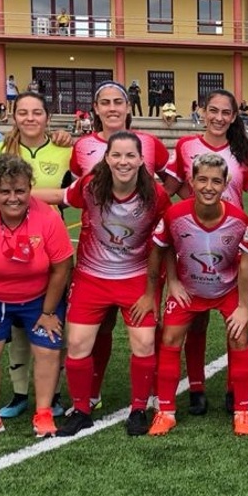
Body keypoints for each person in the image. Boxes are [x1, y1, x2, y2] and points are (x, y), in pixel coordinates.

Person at [36, 131, 171, 437]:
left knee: (144, 342)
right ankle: (81, 410)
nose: (123, 161)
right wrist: (14, 194)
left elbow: (166, 243)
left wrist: (153, 292)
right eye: (117, 155)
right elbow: (60, 197)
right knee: (78, 344)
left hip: (135, 278)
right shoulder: (90, 186)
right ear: (107, 159)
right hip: (91, 278)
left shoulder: (156, 196)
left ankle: (138, 409)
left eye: (130, 156)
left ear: (140, 160)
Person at [0, 154, 74, 440]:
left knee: (48, 348)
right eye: (4, 191)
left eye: (20, 190)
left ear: (30, 187)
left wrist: (47, 312)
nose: (13, 198)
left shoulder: (47, 217)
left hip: (39, 296)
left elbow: (61, 268)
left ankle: (43, 413)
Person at [69, 81, 171, 411]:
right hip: (92, 266)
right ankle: (87, 401)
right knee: (87, 337)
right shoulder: (84, 157)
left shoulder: (153, 157)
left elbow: (170, 202)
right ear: (96, 109)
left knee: (145, 337)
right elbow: (66, 194)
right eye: (105, 102)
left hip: (137, 269)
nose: (112, 108)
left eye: (119, 102)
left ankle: (145, 402)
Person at [167, 89, 248, 415]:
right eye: (213, 110)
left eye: (226, 112)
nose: (219, 117)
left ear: (234, 116)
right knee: (195, 322)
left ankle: (231, 391)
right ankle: (196, 388)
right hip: (197, 240)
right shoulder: (186, 147)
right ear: (201, 111)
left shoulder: (242, 152)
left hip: (235, 246)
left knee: (235, 320)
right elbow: (171, 186)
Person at [147, 153, 248, 437]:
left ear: (225, 185)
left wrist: (244, 305)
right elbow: (162, 249)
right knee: (170, 338)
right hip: (189, 289)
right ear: (191, 182)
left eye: (216, 181)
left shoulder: (238, 220)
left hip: (226, 289)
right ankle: (166, 412)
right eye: (202, 180)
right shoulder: (175, 215)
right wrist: (172, 280)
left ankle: (242, 410)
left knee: (239, 336)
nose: (209, 187)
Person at [0, 92, 74, 420]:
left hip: (52, 246)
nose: (30, 118)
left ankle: (52, 394)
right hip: (12, 247)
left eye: (36, 112)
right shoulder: (3, 149)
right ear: (14, 116)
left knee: (52, 317)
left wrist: (49, 199)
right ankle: (20, 393)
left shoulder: (65, 148)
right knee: (18, 326)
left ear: (47, 116)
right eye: (23, 112)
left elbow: (74, 194)